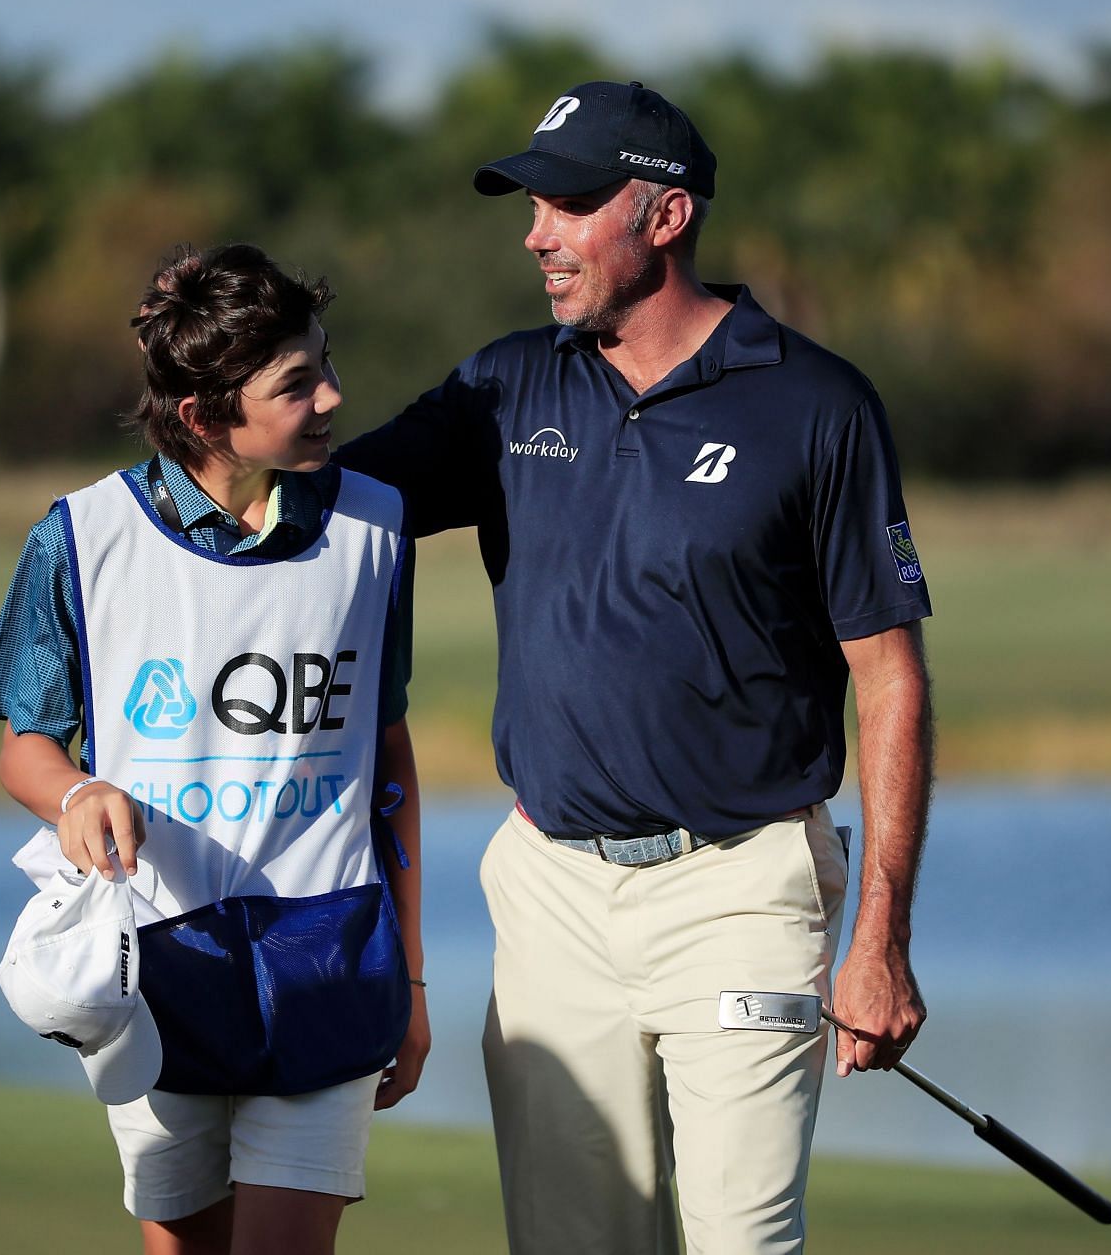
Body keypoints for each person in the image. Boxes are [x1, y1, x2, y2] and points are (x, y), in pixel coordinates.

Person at [338, 80, 932, 1254]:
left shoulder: (816, 405)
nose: (536, 233)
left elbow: (891, 679)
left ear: (664, 218)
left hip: (743, 886)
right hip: (552, 892)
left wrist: (879, 940)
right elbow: (323, 500)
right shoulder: (505, 387)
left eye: (567, 203)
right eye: (531, 204)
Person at [0, 242, 428, 1255]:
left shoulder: (376, 525)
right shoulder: (80, 536)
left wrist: (416, 982)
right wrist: (78, 790)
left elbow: (387, 760)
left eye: (324, 366)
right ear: (203, 416)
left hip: (334, 954)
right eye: (297, 383)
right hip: (162, 960)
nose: (333, 397)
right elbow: (26, 745)